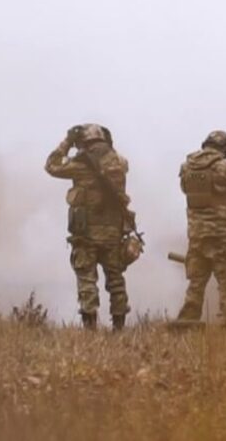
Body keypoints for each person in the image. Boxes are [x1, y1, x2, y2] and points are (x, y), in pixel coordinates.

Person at [45, 124, 141, 331]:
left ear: (83, 141)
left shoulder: (80, 164)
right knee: (116, 279)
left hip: (86, 233)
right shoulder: (119, 162)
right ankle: (119, 327)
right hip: (113, 233)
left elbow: (52, 166)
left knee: (87, 279)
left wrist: (66, 142)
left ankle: (90, 328)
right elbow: (116, 161)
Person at [173, 130, 226, 327]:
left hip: (197, 234)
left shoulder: (187, 167)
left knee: (196, 282)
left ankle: (187, 321)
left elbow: (186, 190)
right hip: (223, 234)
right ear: (225, 148)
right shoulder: (223, 167)